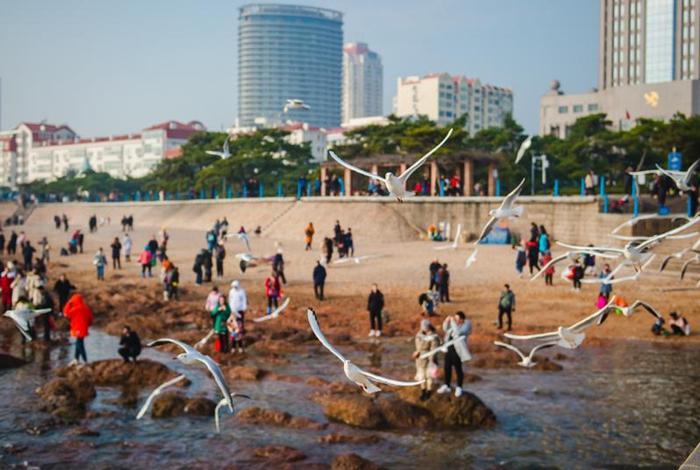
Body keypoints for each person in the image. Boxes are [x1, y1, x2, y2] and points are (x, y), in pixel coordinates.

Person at [437, 311, 472, 398]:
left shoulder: (466, 326)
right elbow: (445, 329)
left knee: (458, 368)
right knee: (447, 367)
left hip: (459, 349)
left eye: (457, 319)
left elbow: (458, 332)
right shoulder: (453, 325)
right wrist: (446, 320)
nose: (455, 320)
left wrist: (452, 322)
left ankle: (459, 387)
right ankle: (446, 385)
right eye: (455, 318)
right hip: (449, 348)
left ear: (462, 319)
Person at [412, 319, 439, 400]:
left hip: (428, 358)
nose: (423, 328)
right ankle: (423, 390)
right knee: (421, 375)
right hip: (419, 359)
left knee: (429, 376)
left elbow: (434, 349)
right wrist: (416, 352)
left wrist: (431, 360)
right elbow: (417, 346)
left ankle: (429, 391)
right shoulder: (419, 334)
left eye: (424, 327)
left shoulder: (433, 336)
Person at [63, 293, 93, 365]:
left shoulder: (75, 309)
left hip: (77, 328)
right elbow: (90, 318)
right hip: (83, 328)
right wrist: (87, 325)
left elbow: (65, 313)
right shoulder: (86, 308)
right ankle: (76, 359)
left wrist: (69, 303)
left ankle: (85, 361)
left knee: (79, 344)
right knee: (79, 342)